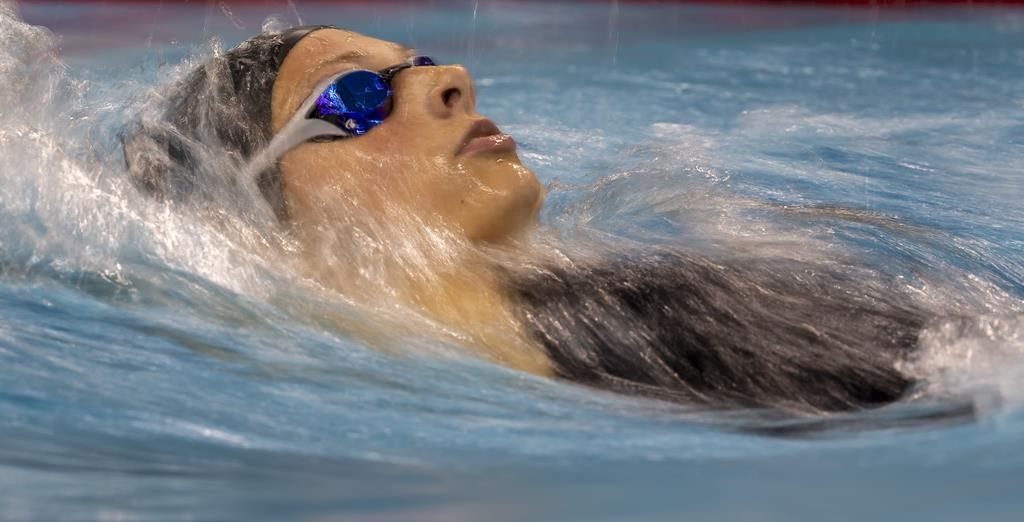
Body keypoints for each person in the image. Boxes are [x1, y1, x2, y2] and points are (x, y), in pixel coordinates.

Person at [122, 26, 927, 412]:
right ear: (249, 217)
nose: (454, 83)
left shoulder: (636, 309)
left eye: (426, 67)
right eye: (355, 98)